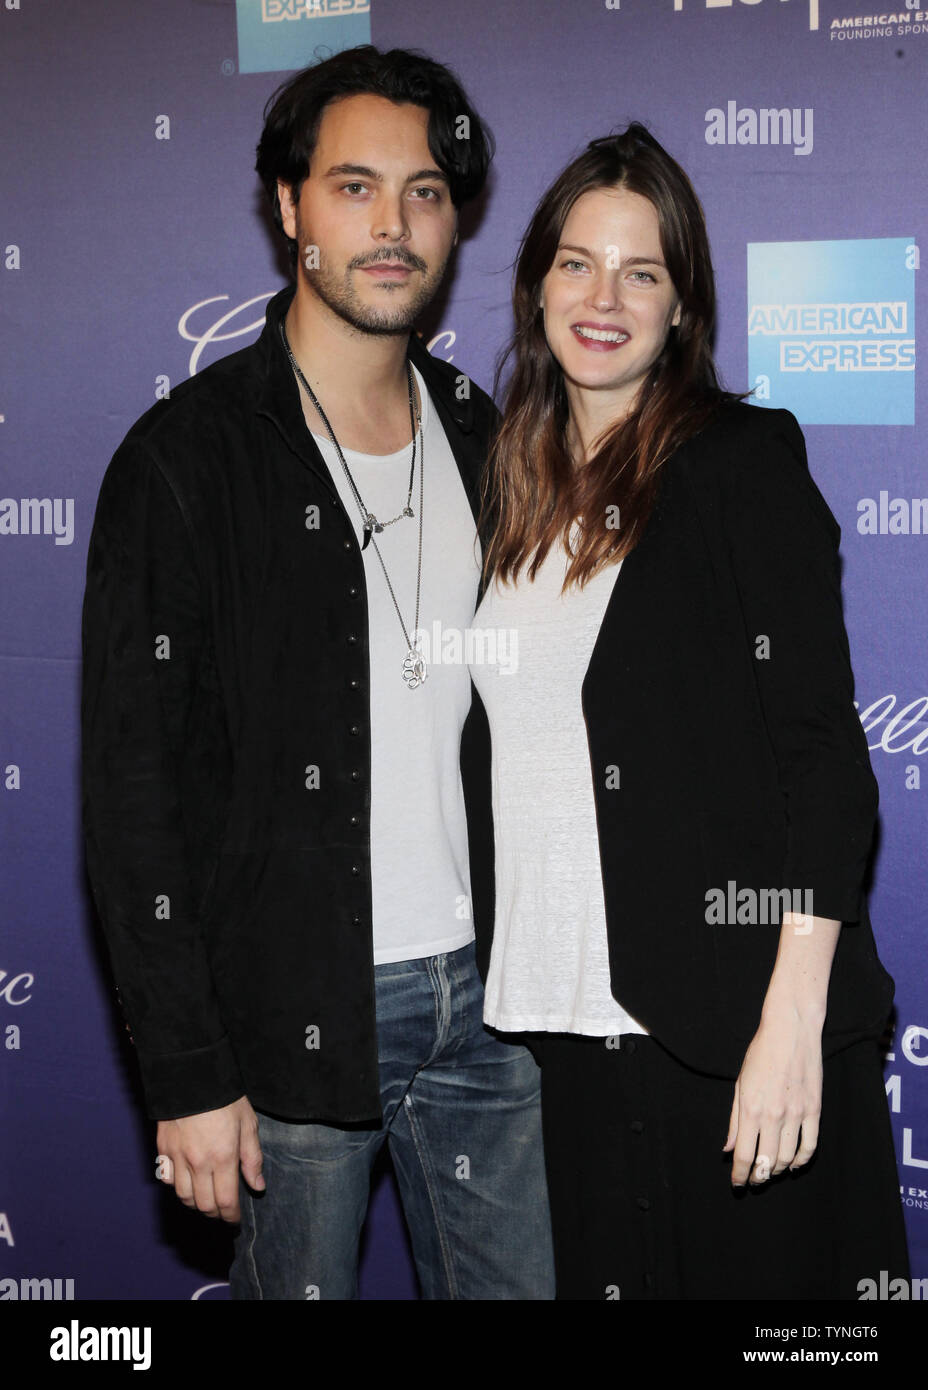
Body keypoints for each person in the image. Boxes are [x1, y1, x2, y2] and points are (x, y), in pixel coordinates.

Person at [80, 45, 554, 1301]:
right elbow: (134, 799)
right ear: (289, 209)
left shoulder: (486, 434)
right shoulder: (186, 462)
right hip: (288, 1009)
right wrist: (187, 1073)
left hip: (495, 1005)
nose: (392, 225)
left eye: (425, 191)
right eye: (353, 187)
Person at [468, 122, 909, 1300]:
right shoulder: (503, 481)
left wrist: (789, 1030)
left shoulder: (739, 465)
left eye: (641, 271)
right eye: (577, 262)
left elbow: (821, 759)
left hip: (730, 1029)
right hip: (565, 1032)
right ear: (535, 284)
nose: (603, 297)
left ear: (680, 307)